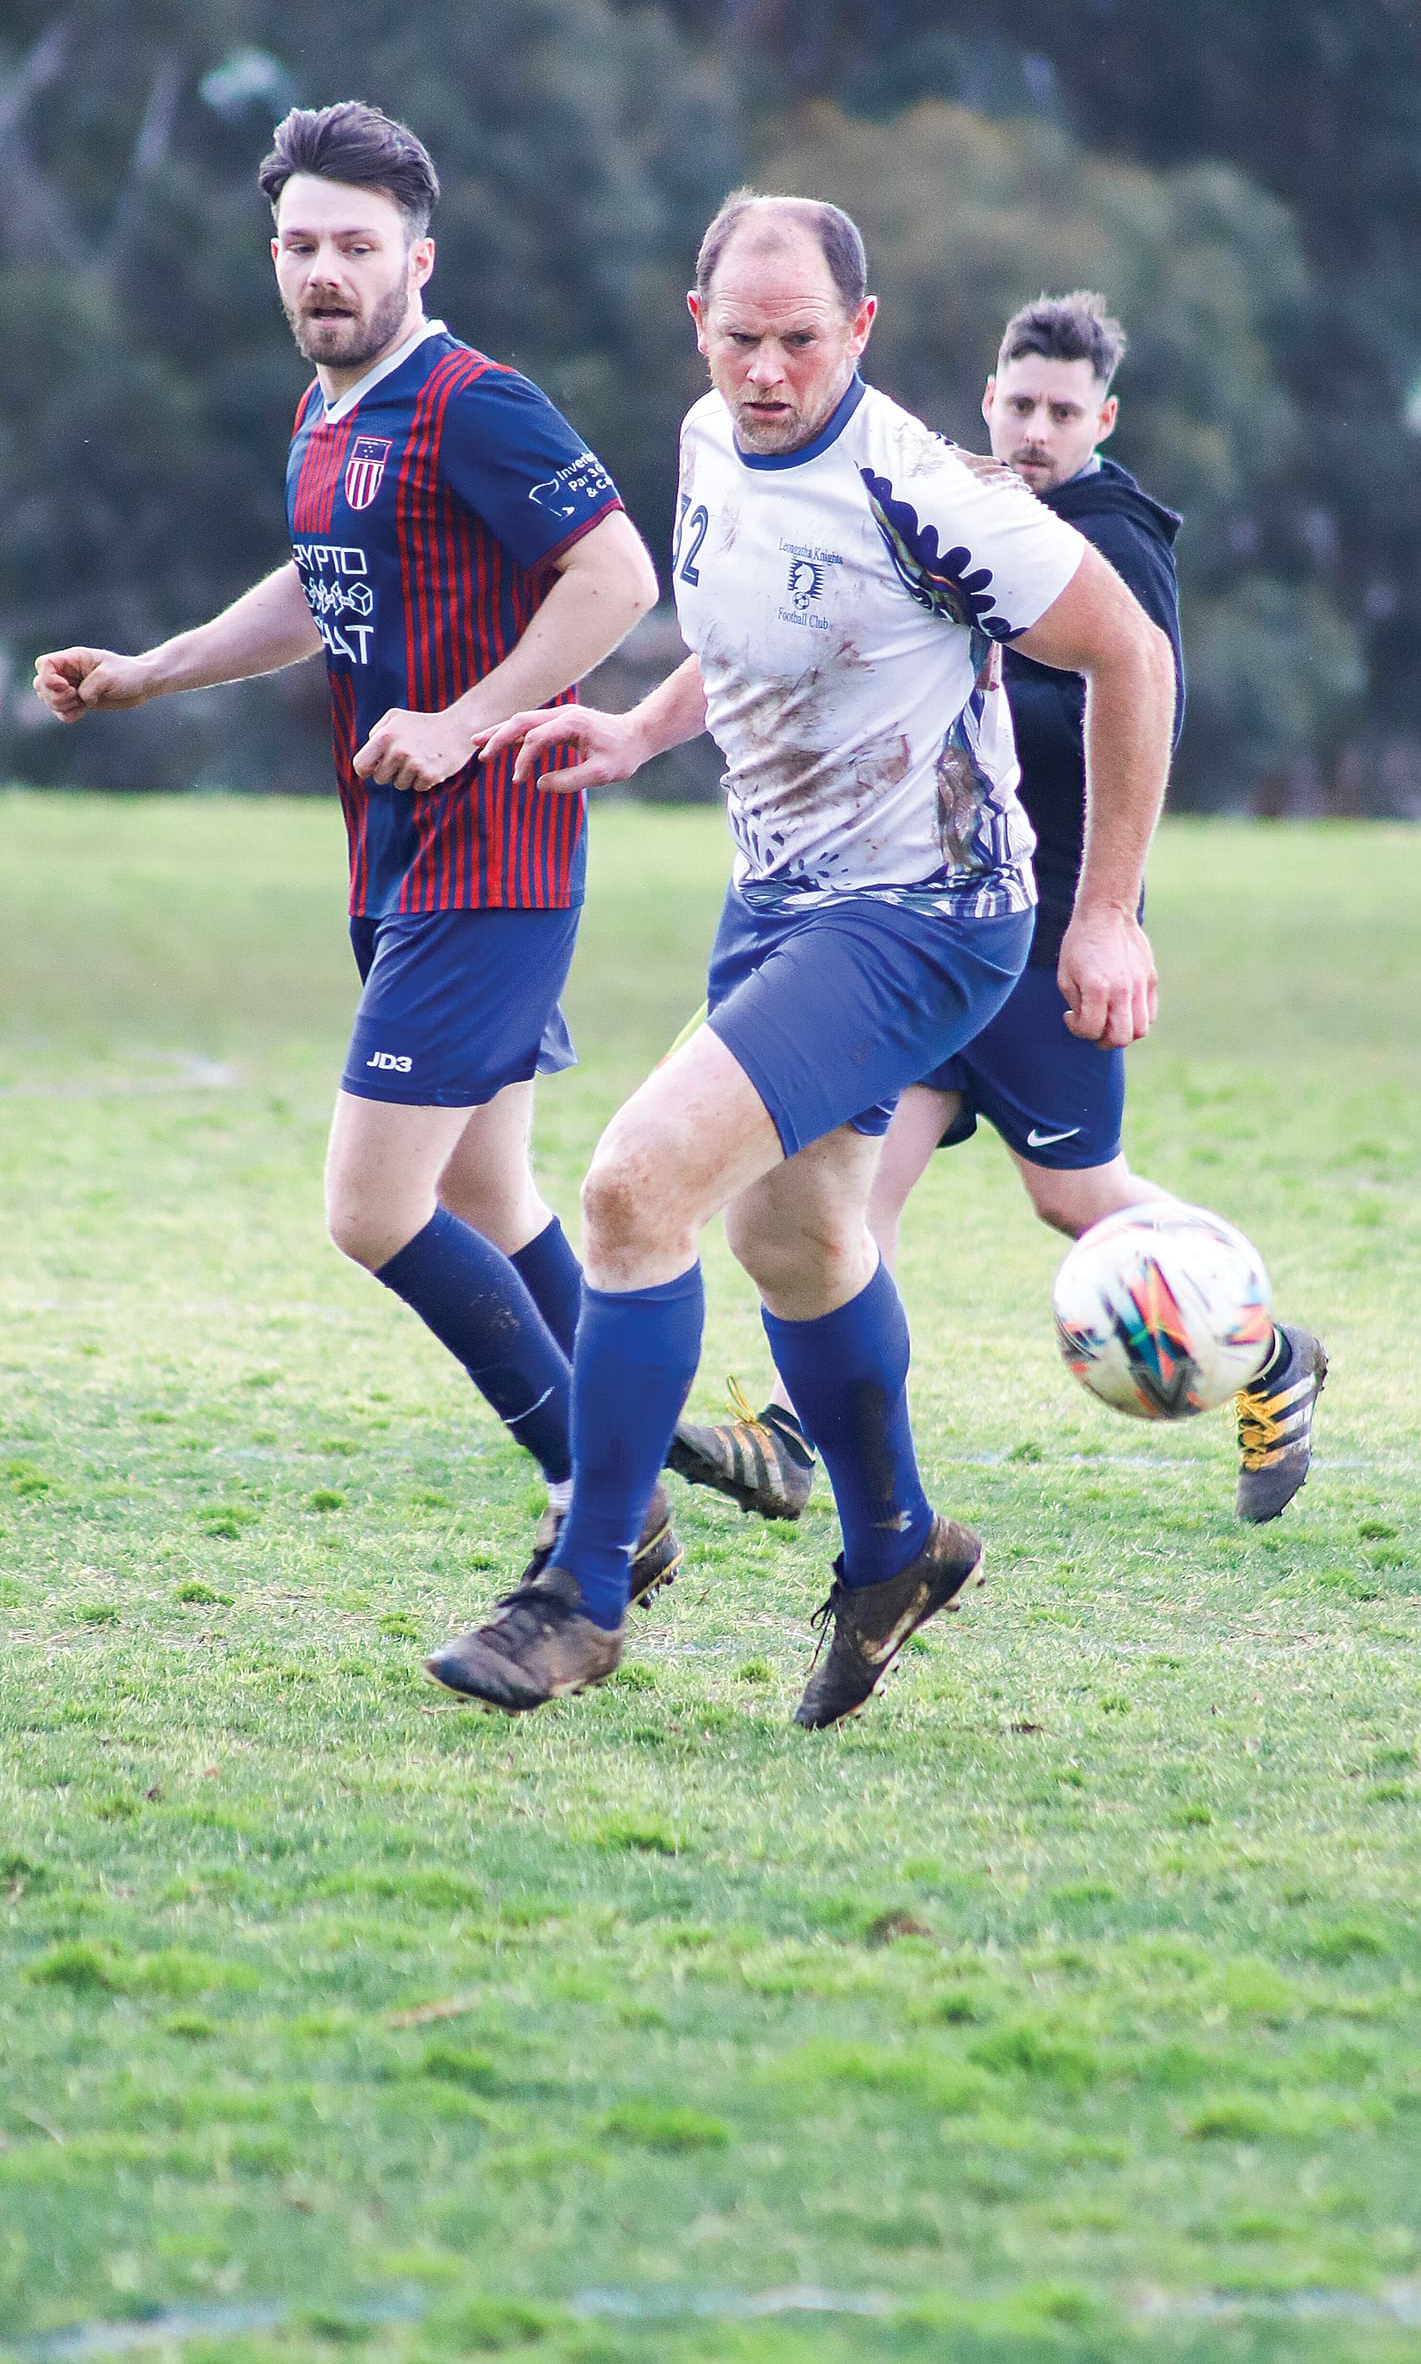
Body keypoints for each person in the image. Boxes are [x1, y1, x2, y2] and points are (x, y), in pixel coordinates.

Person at [423, 193, 1175, 1727]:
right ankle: (895, 1547)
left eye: (803, 342)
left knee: (635, 1187)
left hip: (927, 910)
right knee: (803, 1248)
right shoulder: (709, 437)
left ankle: (584, 1591)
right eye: (743, 337)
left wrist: (1108, 913)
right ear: (695, 320)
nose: (769, 371)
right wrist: (640, 726)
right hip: (778, 892)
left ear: (865, 332)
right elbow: (760, 622)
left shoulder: (935, 490)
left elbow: (1131, 655)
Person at [32, 100, 676, 1578]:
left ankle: (608, 1496)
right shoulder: (329, 410)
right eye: (304, 245)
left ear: (419, 258)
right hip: (394, 861)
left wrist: (464, 720)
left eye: (358, 246)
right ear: (276, 255)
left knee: (370, 1209)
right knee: (484, 1194)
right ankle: (646, 1441)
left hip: (492, 859)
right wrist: (154, 668)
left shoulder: (472, 400)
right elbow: (321, 584)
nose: (327, 270)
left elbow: (616, 574)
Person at [669, 289, 1326, 1529]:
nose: (1035, 431)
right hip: (919, 914)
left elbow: (1135, 694)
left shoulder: (1102, 540)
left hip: (1039, 930)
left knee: (1072, 1196)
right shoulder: (955, 501)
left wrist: (1109, 915)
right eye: (1018, 404)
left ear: (1102, 419)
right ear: (987, 398)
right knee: (858, 1193)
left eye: (1063, 413)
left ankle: (1273, 1353)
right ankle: (799, 1438)